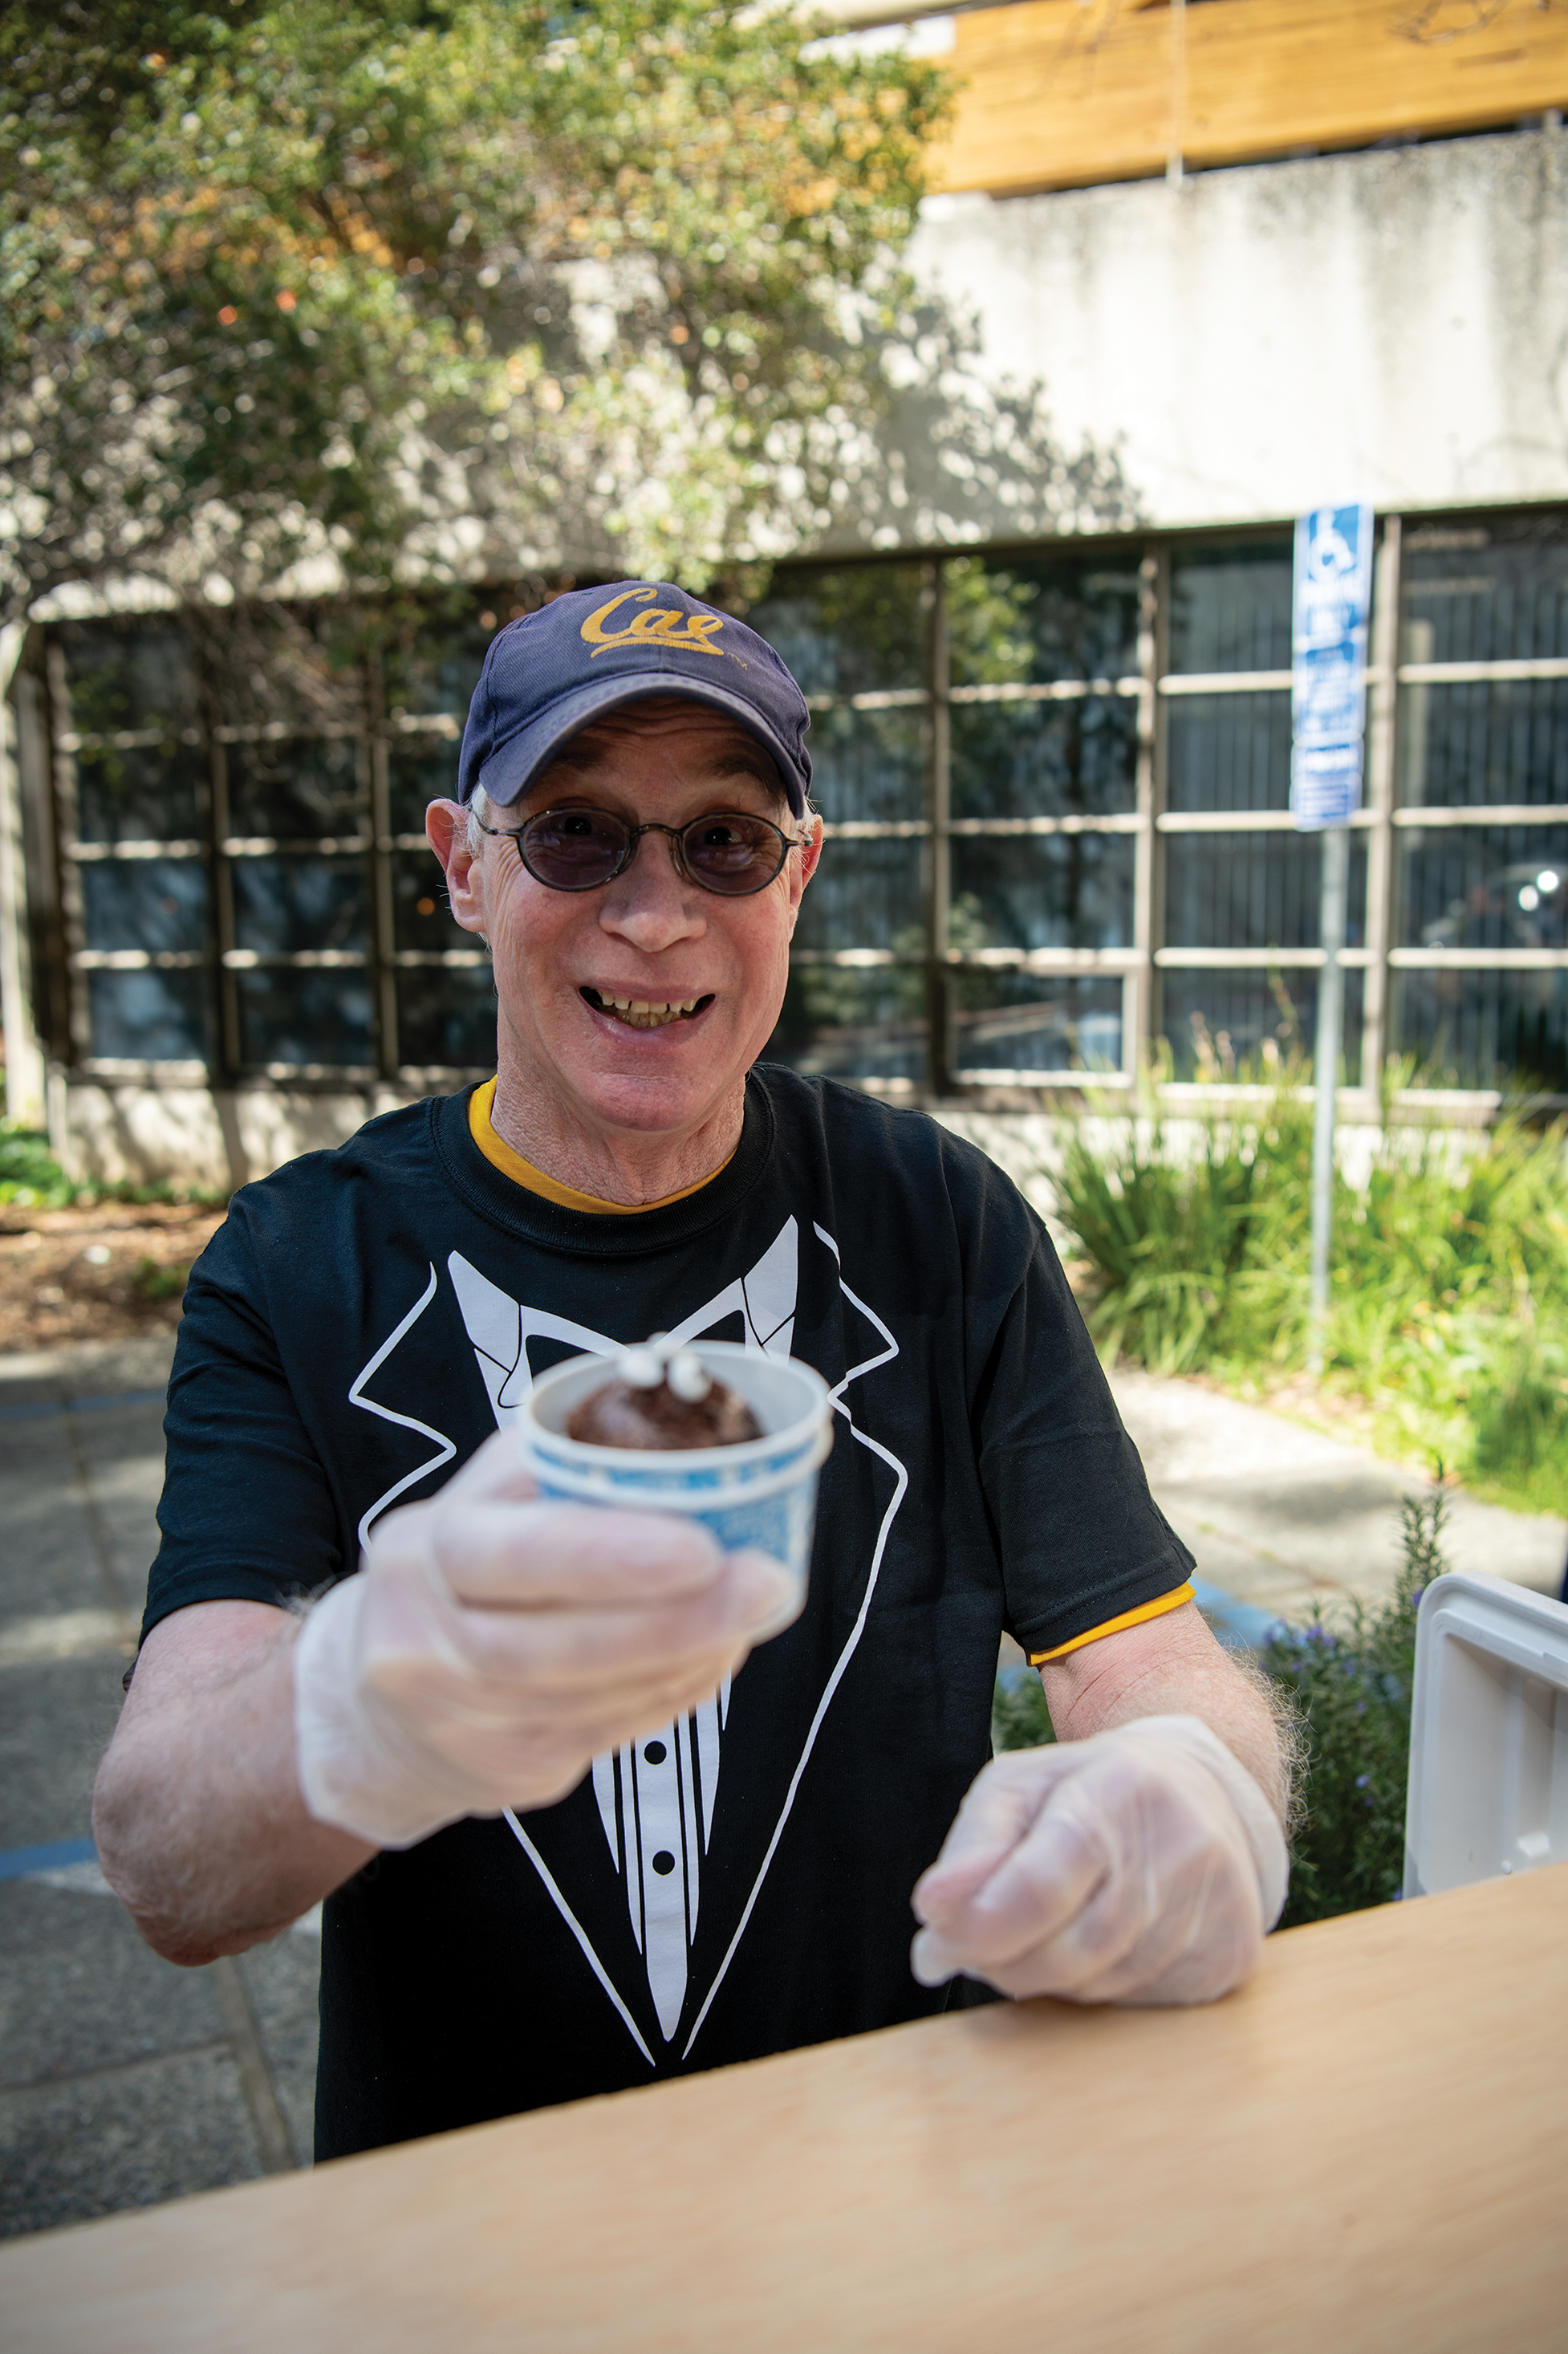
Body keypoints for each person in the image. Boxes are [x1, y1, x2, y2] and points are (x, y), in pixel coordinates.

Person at [93, 579, 1290, 2160]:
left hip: (887, 2192)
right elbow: (168, 1860)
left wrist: (1196, 1794)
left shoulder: (943, 1227)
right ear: (464, 865)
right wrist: (365, 1686)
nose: (654, 915)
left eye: (722, 841)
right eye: (576, 833)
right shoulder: (295, 1267)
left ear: (798, 878)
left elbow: (1137, 1659)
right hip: (460, 2242)